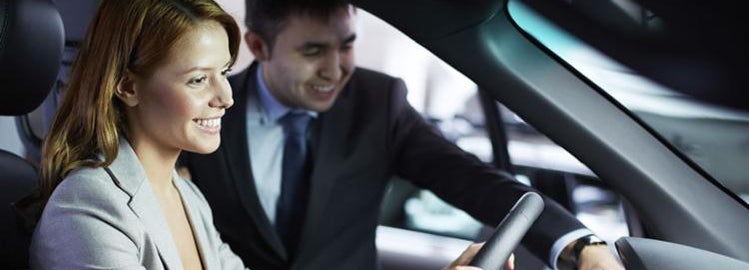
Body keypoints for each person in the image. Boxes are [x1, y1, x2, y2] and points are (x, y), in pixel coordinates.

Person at [178, 1, 624, 270]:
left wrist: (582, 244)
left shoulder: (378, 102)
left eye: (346, 45)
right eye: (313, 51)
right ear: (257, 46)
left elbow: (476, 181)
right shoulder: (204, 109)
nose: (335, 71)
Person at [29, 0, 247, 269]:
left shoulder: (188, 195)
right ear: (128, 87)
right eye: (198, 80)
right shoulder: (86, 206)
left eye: (224, 72)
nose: (226, 98)